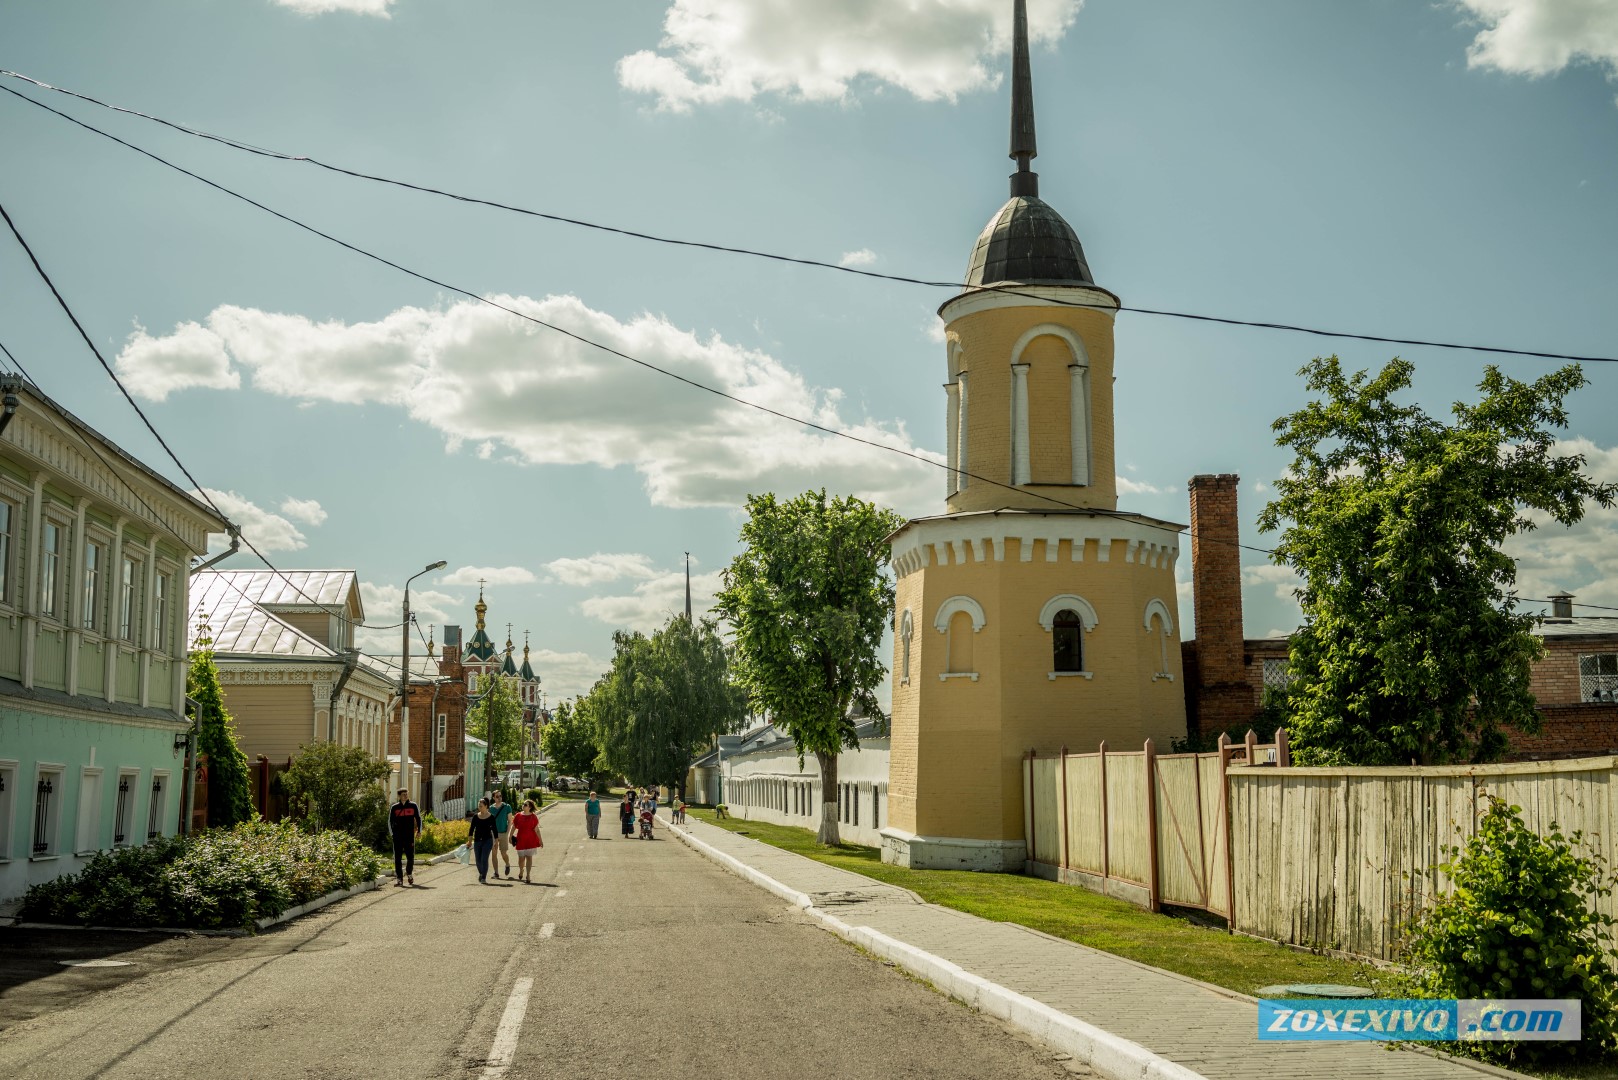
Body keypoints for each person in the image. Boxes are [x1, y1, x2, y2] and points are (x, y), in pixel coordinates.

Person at [388, 787, 423, 887]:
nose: (406, 796)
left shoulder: (413, 806)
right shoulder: (394, 807)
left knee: (410, 857)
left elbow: (418, 818)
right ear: (399, 796)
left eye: (407, 794)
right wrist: (392, 834)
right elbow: (390, 821)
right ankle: (399, 879)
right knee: (397, 858)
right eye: (403, 794)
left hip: (409, 836)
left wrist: (419, 831)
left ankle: (409, 873)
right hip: (397, 837)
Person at [511, 799, 542, 883]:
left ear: (530, 807)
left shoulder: (533, 817)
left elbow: (537, 830)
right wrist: (510, 836)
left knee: (529, 858)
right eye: (523, 804)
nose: (523, 805)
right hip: (520, 840)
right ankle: (521, 870)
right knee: (521, 859)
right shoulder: (518, 815)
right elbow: (514, 826)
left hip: (530, 840)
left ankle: (528, 875)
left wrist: (540, 840)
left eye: (525, 804)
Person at [467, 798, 498, 884]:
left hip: (487, 841)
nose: (479, 808)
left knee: (484, 858)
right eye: (478, 806)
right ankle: (481, 873)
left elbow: (495, 831)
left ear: (486, 806)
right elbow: (471, 829)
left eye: (481, 806)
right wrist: (469, 841)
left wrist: (496, 842)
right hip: (477, 841)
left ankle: (483, 877)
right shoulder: (475, 817)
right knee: (478, 860)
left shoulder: (491, 817)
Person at [489, 789, 514, 878]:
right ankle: (496, 873)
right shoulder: (491, 808)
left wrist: (507, 833)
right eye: (497, 796)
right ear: (493, 798)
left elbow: (510, 821)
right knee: (494, 853)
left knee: (503, 853)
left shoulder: (507, 807)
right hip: (493, 834)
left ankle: (507, 864)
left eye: (500, 796)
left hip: (503, 833)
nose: (499, 798)